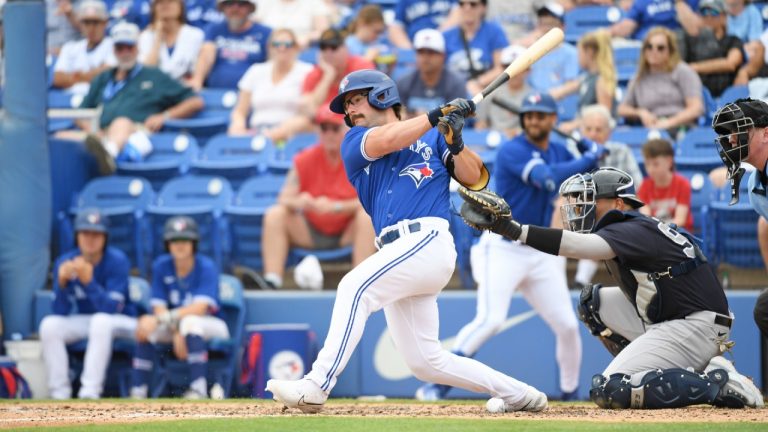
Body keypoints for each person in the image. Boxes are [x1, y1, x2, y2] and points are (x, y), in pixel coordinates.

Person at [265, 69, 549, 414]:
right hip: (397, 251)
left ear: (382, 95)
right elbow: (389, 140)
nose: (350, 110)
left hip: (427, 239)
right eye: (347, 105)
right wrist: (433, 117)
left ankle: (317, 385)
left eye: (356, 99)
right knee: (426, 362)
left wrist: (456, 142)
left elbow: (474, 178)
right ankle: (521, 394)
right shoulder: (354, 142)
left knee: (355, 287)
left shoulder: (433, 138)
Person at [456, 167, 764, 409]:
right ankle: (655, 370)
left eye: (590, 199)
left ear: (618, 203)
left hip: (696, 325)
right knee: (593, 303)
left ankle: (716, 382)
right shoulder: (634, 226)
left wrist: (513, 230)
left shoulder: (629, 226)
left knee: (610, 388)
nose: (579, 205)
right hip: (674, 317)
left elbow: (578, 246)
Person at [415, 92, 605, 402]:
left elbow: (583, 177)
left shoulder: (558, 150)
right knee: (491, 320)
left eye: (540, 115)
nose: (533, 120)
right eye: (529, 115)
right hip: (503, 247)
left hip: (539, 249)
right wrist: (589, 156)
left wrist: (592, 156)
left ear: (553, 120)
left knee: (569, 326)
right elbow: (546, 180)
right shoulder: (512, 150)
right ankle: (436, 386)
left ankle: (570, 395)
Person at [260, 104, 376, 290]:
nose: (329, 134)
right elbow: (284, 198)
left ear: (346, 129)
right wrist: (303, 202)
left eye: (334, 128)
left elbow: (371, 200)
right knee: (275, 214)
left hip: (346, 230)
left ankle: (361, 281)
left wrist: (336, 207)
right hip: (311, 228)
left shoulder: (359, 158)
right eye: (324, 128)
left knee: (366, 216)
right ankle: (272, 279)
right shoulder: (304, 159)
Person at [76, 21, 204, 175]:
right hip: (101, 133)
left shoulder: (154, 75)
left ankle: (108, 155)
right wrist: (93, 132)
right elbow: (80, 114)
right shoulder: (103, 78)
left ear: (137, 48)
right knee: (60, 137)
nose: (125, 52)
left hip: (136, 130)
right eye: (120, 48)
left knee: (121, 122)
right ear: (114, 50)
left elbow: (195, 101)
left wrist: (165, 116)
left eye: (129, 47)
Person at [39, 208, 138, 399]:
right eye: (85, 233)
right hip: (89, 320)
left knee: (101, 321)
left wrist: (89, 283)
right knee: (49, 325)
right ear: (77, 236)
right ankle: (59, 393)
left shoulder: (117, 260)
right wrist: (61, 284)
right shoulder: (65, 261)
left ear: (105, 237)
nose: (90, 239)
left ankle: (89, 392)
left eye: (96, 234)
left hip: (122, 319)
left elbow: (111, 309)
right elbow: (60, 310)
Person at [130, 216, 230, 399]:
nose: (179, 245)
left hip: (212, 325)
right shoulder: (161, 265)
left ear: (194, 243)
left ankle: (198, 389)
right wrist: (175, 330)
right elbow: (158, 307)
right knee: (146, 328)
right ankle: (138, 390)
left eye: (185, 240)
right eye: (174, 240)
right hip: (176, 326)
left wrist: (167, 322)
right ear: (167, 243)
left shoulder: (206, 266)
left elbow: (199, 308)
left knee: (190, 322)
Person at [570, 104, 644, 290]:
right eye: (588, 129)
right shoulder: (572, 150)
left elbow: (638, 187)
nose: (593, 134)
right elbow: (564, 190)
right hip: (576, 212)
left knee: (609, 208)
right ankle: (579, 279)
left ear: (608, 133)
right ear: (581, 130)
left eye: (598, 129)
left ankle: (582, 280)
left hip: (615, 213)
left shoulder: (620, 151)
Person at [712, 98, 768, 341]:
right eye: (730, 133)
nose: (732, 139)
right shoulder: (755, 186)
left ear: (766, 133)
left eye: (740, 130)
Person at [228, 28, 313, 139]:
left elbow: (309, 114)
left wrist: (282, 131)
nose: (282, 48)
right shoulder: (256, 70)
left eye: (287, 44)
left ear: (296, 47)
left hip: (291, 135)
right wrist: (238, 125)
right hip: (257, 133)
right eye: (276, 44)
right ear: (269, 47)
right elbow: (240, 110)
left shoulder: (307, 72)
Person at [617, 26, 704, 133]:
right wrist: (640, 112)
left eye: (660, 48)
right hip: (650, 129)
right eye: (649, 47)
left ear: (670, 51)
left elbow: (696, 108)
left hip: (680, 128)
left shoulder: (683, 71)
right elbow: (622, 109)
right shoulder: (639, 77)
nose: (654, 51)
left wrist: (669, 122)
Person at [190, 0, 271, 90]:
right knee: (207, 48)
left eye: (241, 4)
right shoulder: (213, 29)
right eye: (229, 3)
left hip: (252, 93)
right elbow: (204, 56)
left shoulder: (266, 33)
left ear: (250, 8)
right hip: (214, 92)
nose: (235, 8)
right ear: (222, 8)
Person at [300, 28, 374, 126]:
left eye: (334, 47)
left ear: (345, 48)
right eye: (324, 48)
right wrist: (328, 76)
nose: (329, 53)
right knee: (296, 123)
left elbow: (366, 105)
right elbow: (310, 109)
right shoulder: (314, 74)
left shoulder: (361, 67)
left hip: (354, 122)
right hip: (324, 126)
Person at [549, 29, 617, 131]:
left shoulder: (601, 81)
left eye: (579, 52)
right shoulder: (586, 78)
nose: (578, 57)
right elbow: (560, 92)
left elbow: (604, 118)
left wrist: (573, 125)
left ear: (589, 52)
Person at [395, 28, 468, 119]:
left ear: (442, 56)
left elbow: (458, 120)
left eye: (431, 52)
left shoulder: (455, 83)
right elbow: (398, 118)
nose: (425, 57)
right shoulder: (403, 82)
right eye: (421, 52)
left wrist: (426, 118)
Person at [442, 0, 508, 96]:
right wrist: (462, 87)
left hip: (484, 90)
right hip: (452, 92)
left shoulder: (494, 32)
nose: (467, 8)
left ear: (483, 7)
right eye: (462, 4)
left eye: (473, 4)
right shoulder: (446, 36)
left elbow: (501, 68)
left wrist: (478, 83)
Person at [681, 0, 744, 99]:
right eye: (704, 12)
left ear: (724, 16)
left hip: (727, 97)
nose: (709, 17)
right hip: (698, 96)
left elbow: (731, 63)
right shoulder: (690, 41)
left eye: (714, 12)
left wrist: (696, 67)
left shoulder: (733, 40)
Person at [52, 0, 116, 94]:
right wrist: (91, 74)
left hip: (99, 98)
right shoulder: (70, 47)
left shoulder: (114, 45)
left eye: (95, 22)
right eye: (86, 22)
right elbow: (58, 79)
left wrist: (75, 76)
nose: (91, 28)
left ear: (105, 23)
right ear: (80, 23)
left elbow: (107, 74)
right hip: (70, 100)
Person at [517, 2, 579, 94]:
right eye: (543, 23)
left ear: (562, 26)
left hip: (558, 104)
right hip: (531, 101)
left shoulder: (571, 53)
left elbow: (572, 84)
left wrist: (550, 96)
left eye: (551, 24)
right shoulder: (529, 50)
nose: (546, 28)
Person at [138, 0, 205, 83]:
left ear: (180, 6)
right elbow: (147, 71)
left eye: (171, 1)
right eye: (160, 2)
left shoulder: (195, 35)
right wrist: (158, 38)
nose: (165, 5)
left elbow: (195, 72)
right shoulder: (146, 36)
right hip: (154, 89)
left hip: (184, 90)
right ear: (154, 8)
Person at [474, 44, 532, 137]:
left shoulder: (534, 97)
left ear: (528, 70)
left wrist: (517, 132)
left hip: (522, 141)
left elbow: (535, 128)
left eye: (520, 67)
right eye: (508, 67)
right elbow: (481, 124)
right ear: (502, 69)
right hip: (494, 141)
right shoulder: (491, 93)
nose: (514, 72)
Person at [637, 138, 693, 232]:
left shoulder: (683, 184)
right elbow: (646, 218)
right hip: (655, 234)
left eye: (656, 164)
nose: (650, 169)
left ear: (669, 161)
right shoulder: (644, 186)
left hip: (679, 235)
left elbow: (680, 220)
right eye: (647, 164)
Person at [254, 0, 332, 49]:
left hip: (300, 50)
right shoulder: (263, 2)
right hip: (268, 49)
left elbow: (324, 31)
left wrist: (307, 38)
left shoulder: (314, 2)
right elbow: (252, 26)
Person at [610, 0, 701, 41]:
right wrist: (607, 33)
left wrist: (679, 2)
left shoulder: (689, 2)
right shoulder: (642, 2)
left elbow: (694, 30)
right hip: (645, 41)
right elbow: (627, 25)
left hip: (674, 43)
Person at [388, 0, 460, 49]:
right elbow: (395, 27)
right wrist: (409, 49)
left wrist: (434, 38)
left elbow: (459, 14)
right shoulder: (405, 1)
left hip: (445, 44)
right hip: (416, 47)